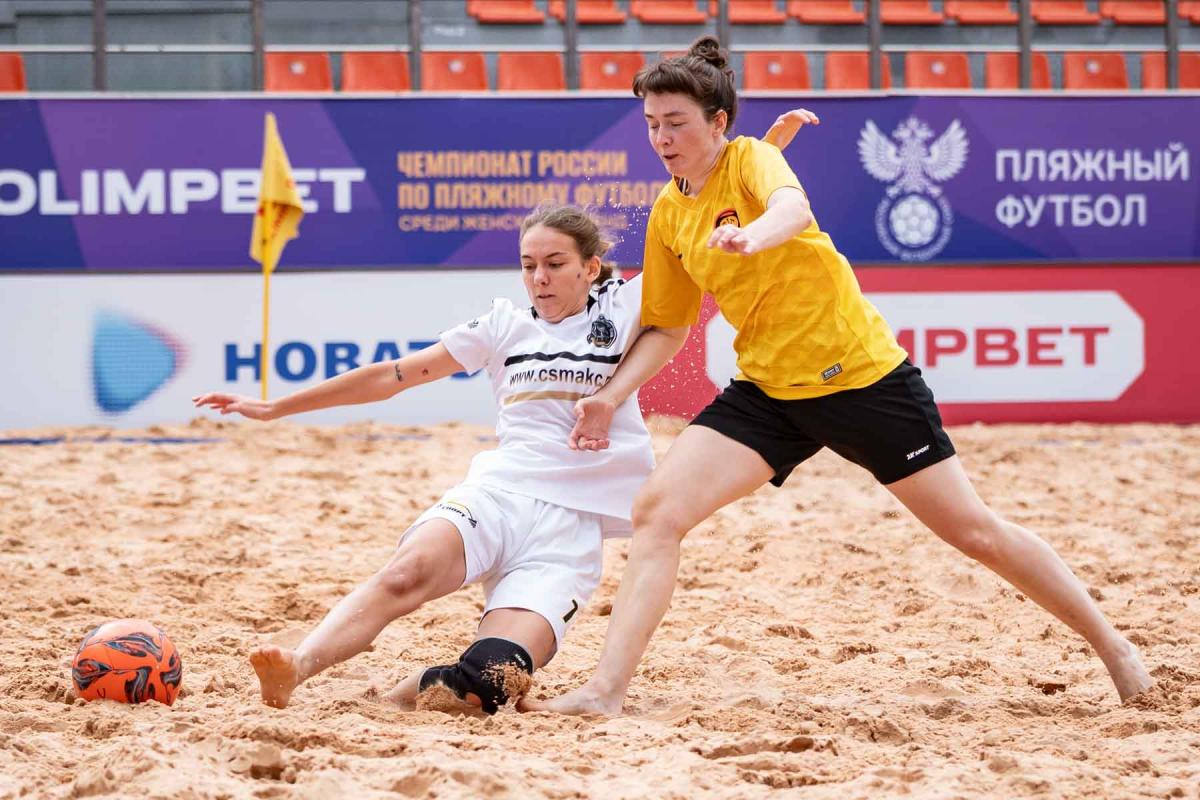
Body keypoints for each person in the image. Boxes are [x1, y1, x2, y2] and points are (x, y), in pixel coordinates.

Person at [522, 37, 1153, 716]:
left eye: (676, 122)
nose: (662, 138)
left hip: (863, 380)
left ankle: (1115, 648)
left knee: (974, 531)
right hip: (770, 391)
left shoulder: (752, 158)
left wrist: (754, 235)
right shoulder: (670, 214)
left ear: (718, 122)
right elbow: (670, 328)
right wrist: (611, 395)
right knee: (657, 512)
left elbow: (791, 209)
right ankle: (605, 692)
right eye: (651, 124)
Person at [192, 205, 653, 714]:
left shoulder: (624, 307)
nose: (539, 278)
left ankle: (400, 696)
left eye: (555, 264)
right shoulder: (503, 325)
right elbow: (393, 376)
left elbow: (698, 248)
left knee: (489, 682)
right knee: (405, 575)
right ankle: (297, 666)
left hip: (568, 532)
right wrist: (277, 407)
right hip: (499, 496)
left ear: (590, 267)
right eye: (528, 265)